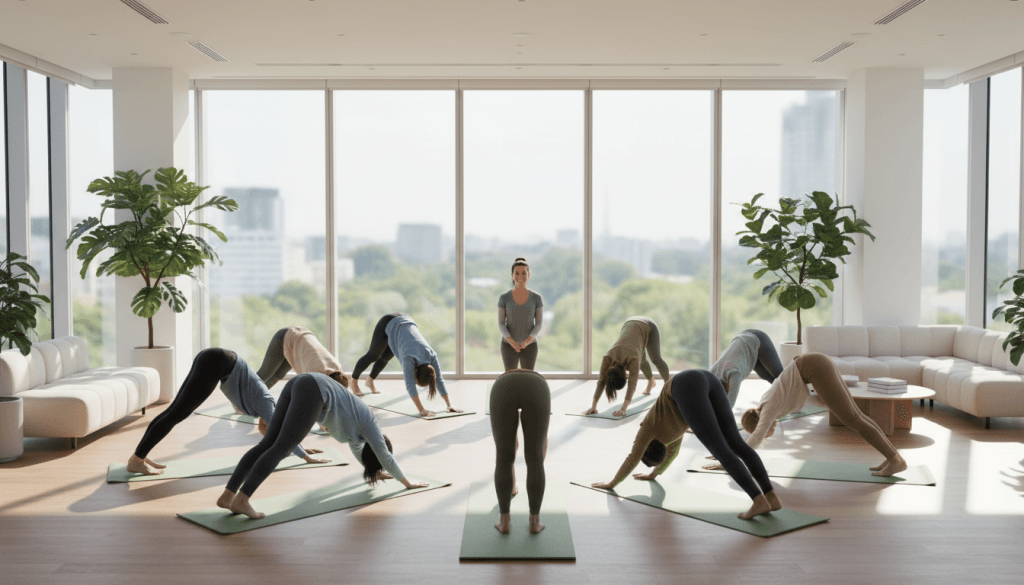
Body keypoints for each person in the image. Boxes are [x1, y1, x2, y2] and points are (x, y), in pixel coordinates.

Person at [216, 373, 428, 519]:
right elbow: (385, 455)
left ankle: (228, 496)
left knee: (268, 443)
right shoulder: (370, 424)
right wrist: (406, 482)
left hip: (303, 382)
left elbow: (360, 451)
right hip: (314, 389)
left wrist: (374, 469)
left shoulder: (358, 436)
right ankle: (242, 499)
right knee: (281, 448)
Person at [592, 370, 782, 520]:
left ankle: (758, 500)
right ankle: (771, 497)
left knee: (721, 450)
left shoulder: (649, 429)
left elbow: (633, 457)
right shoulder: (670, 439)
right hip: (706, 379)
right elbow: (668, 456)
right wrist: (653, 474)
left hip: (686, 387)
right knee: (737, 444)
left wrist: (612, 483)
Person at [125, 348, 328, 476]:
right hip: (218, 363)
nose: (267, 431)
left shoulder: (258, 407)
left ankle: (139, 456)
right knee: (176, 414)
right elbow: (282, 433)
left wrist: (299, 445)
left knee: (173, 411)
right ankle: (137, 460)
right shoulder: (266, 403)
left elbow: (281, 431)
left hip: (214, 357)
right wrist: (304, 456)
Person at [735, 352, 908, 477]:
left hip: (814, 367)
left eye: (764, 432)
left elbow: (756, 438)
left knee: (852, 419)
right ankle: (892, 457)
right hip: (815, 362)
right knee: (857, 415)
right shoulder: (765, 403)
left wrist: (731, 461)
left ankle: (895, 460)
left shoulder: (768, 410)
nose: (767, 435)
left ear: (760, 423)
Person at [349, 313, 461, 417]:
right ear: (415, 372)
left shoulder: (432, 356)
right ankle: (353, 382)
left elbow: (439, 380)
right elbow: (410, 385)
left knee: (386, 357)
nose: (413, 380)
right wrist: (421, 410)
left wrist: (449, 405)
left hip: (403, 327)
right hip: (389, 321)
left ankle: (370, 381)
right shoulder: (409, 359)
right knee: (373, 355)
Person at [490, 370, 550, 534]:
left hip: (502, 387)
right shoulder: (538, 380)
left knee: (503, 458)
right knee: (535, 459)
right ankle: (534, 523)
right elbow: (543, 445)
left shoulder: (504, 378)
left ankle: (505, 523)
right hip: (537, 387)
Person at [584, 316, 671, 417]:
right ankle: (651, 382)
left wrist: (623, 409)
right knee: (641, 360)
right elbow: (601, 381)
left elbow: (632, 385)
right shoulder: (607, 358)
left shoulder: (632, 360)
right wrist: (593, 406)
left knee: (656, 359)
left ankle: (668, 387)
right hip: (629, 324)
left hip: (647, 325)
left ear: (625, 374)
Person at [711, 329, 785, 408]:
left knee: (781, 376)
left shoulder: (735, 374)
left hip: (757, 338)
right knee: (768, 377)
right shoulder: (711, 374)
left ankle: (797, 402)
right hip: (744, 341)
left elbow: (729, 406)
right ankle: (785, 406)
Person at [256, 326, 346, 390]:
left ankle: (255, 399)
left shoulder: (338, 369)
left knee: (278, 375)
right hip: (285, 336)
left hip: (298, 341)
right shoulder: (314, 374)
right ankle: (242, 400)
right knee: (263, 375)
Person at [497, 257, 543, 371]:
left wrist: (528, 341)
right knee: (510, 380)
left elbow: (539, 324)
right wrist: (511, 341)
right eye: (517, 273)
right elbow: (501, 324)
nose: (520, 276)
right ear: (512, 275)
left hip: (530, 346)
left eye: (524, 273)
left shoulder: (536, 298)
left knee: (528, 380)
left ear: (529, 274)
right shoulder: (504, 298)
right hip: (508, 346)